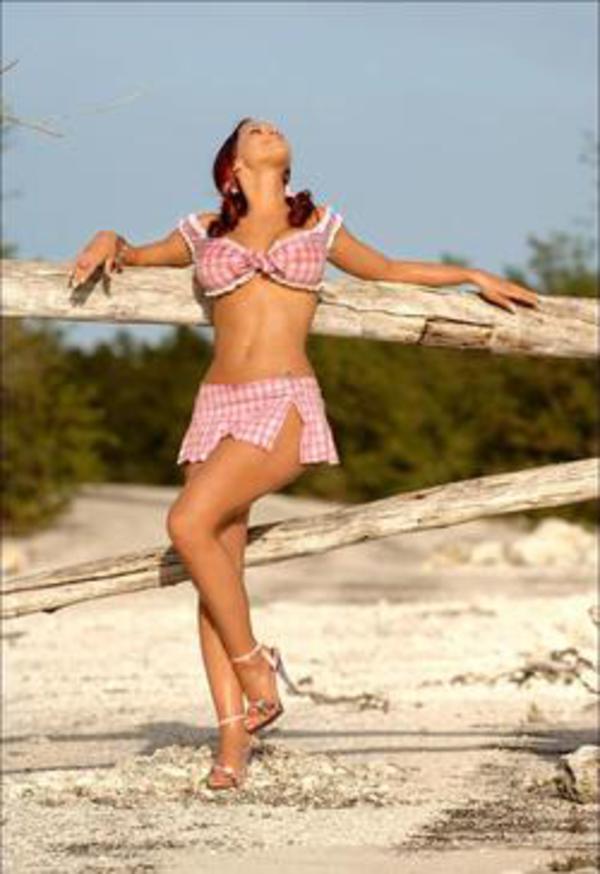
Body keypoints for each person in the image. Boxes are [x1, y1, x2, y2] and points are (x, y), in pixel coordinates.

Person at [67, 116, 539, 790]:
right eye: (253, 130)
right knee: (217, 572)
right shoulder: (204, 230)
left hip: (282, 397)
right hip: (216, 405)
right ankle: (232, 742)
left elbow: (389, 269)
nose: (268, 128)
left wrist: (470, 274)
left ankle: (256, 666)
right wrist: (106, 237)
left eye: (273, 127)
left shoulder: (317, 224)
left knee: (186, 524)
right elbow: (133, 255)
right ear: (232, 167)